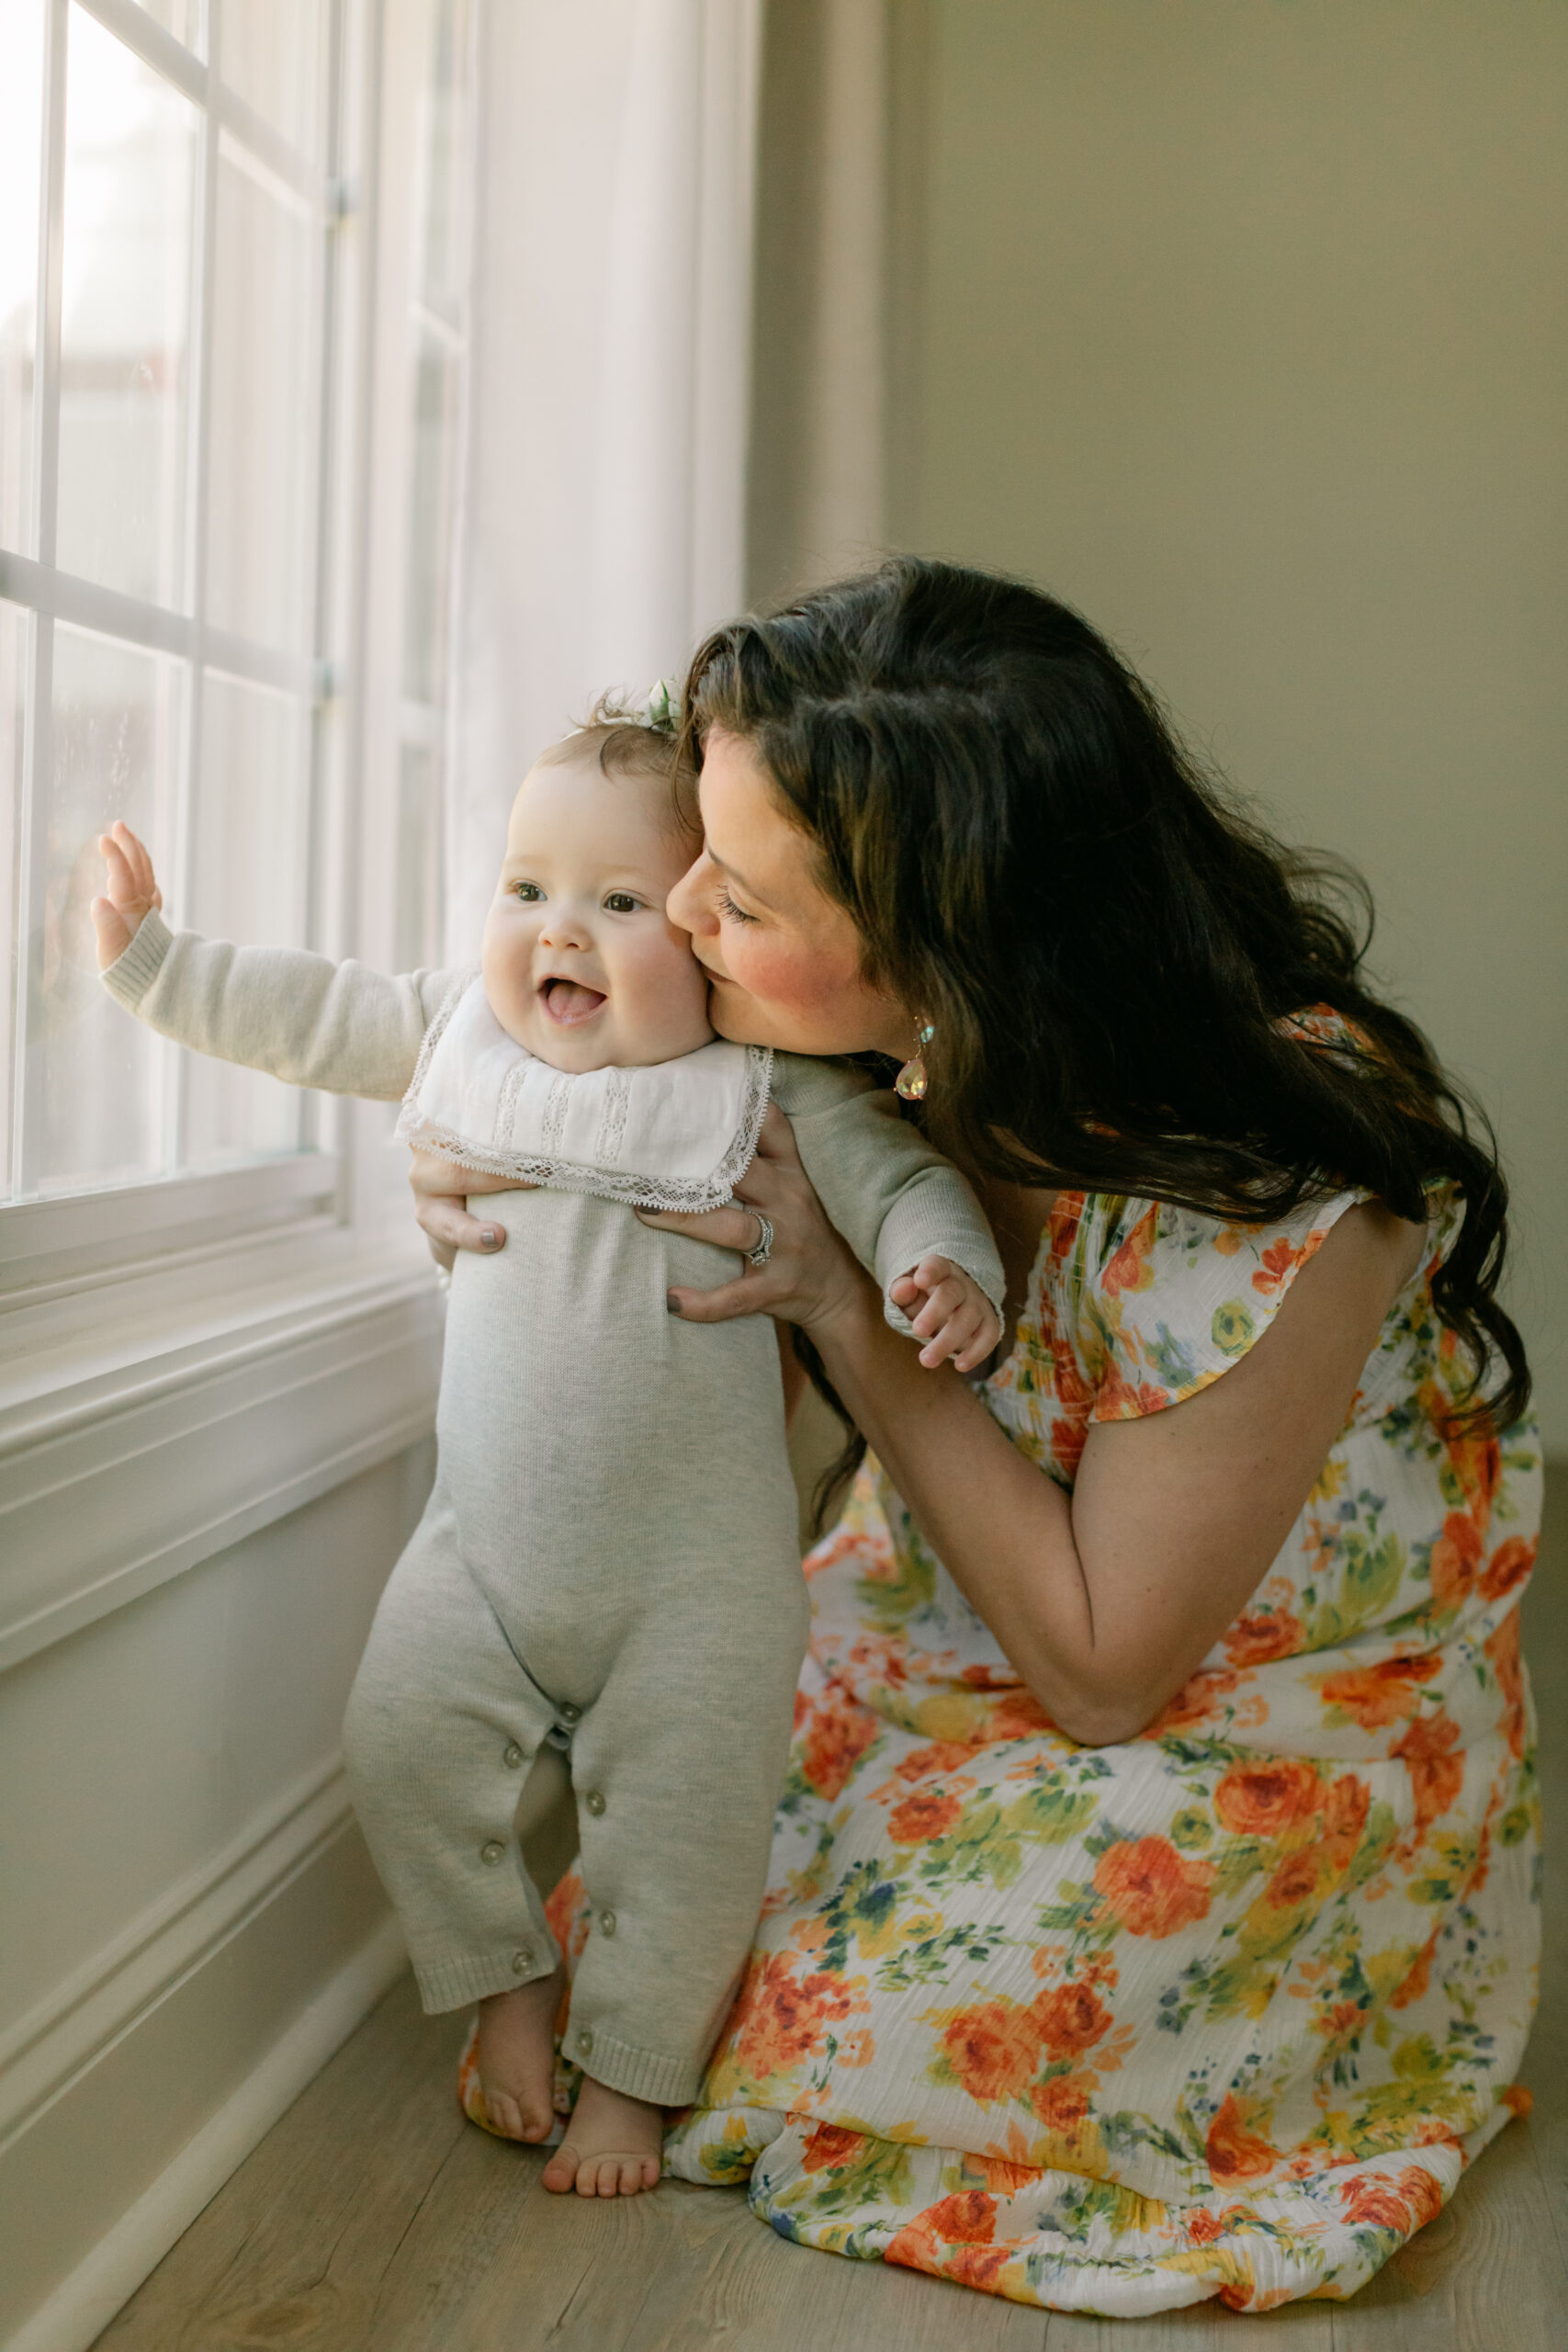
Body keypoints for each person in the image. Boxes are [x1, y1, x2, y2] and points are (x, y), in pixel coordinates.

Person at [413, 559, 1540, 2313]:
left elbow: (1107, 1676)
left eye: (743, 889)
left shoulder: (1278, 1166)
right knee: (685, 1918)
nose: (683, 911)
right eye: (691, 855)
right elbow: (511, 1048)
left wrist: (848, 1313)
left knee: (971, 2014)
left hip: (1242, 1692)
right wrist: (478, 1136)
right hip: (942, 1608)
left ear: (948, 944)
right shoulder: (838, 1051)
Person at [90, 702, 1003, 2201]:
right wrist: (156, 965)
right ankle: (507, 1980)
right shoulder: (460, 1034)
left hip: (695, 1587)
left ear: (709, 939)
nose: (557, 932)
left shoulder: (756, 1091)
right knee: (398, 1747)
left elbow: (900, 1178)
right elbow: (317, 1012)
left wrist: (942, 1265)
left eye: (620, 902)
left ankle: (633, 2083)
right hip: (482, 1554)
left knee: (688, 1840)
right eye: (528, 889)